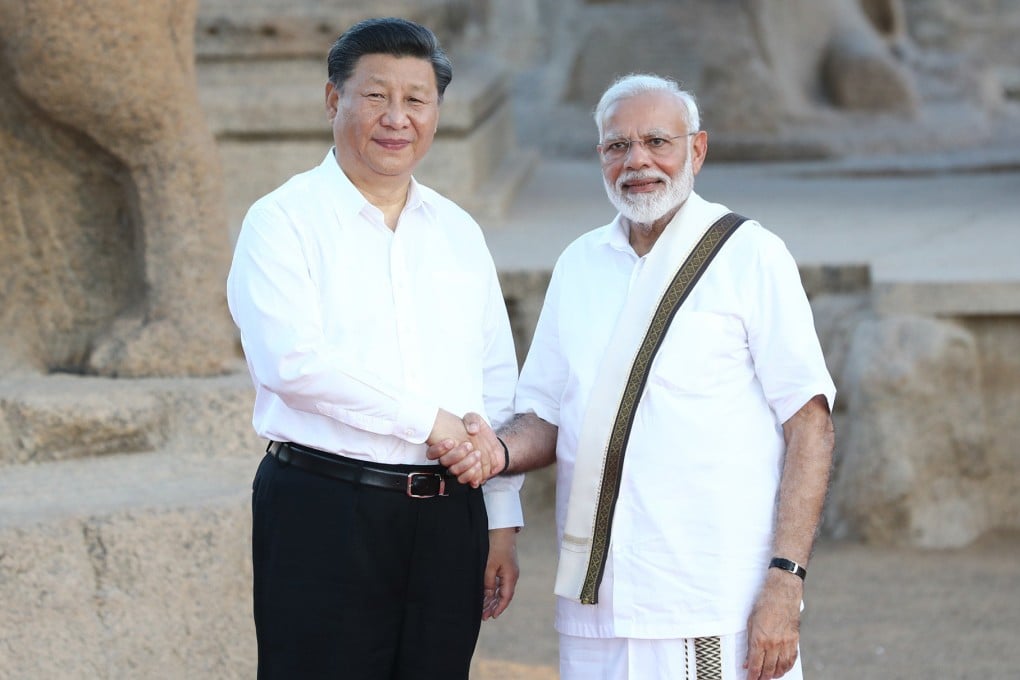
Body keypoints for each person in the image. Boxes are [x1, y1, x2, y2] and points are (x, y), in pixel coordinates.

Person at [431, 73, 836, 680]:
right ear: (600, 158)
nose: (637, 161)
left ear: (696, 150)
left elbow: (811, 426)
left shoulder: (751, 255)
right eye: (618, 146)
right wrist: (493, 452)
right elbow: (545, 414)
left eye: (656, 141)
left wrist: (786, 581)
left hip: (712, 596)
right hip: (599, 600)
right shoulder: (578, 263)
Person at [226, 17, 522, 680]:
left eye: (416, 100)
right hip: (325, 507)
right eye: (375, 96)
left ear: (437, 111)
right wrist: (430, 422)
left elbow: (495, 383)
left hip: (451, 518)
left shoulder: (457, 231)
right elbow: (291, 364)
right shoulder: (282, 220)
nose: (397, 118)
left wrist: (501, 521)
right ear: (335, 101)